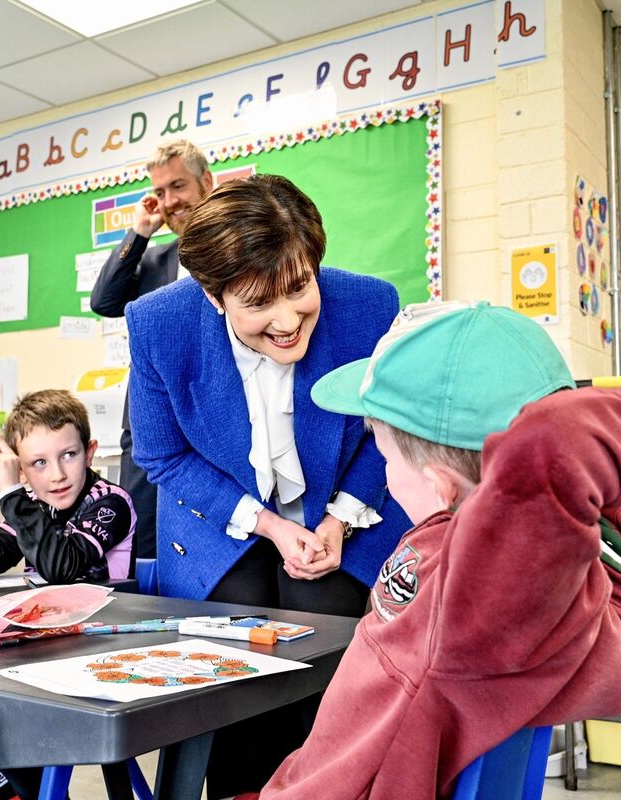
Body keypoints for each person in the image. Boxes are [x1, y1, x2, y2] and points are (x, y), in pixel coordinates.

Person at [234, 301, 621, 800]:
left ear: (442, 487)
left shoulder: (479, 591)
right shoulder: (608, 548)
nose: (385, 478)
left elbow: (527, 501)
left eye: (386, 457)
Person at [126, 173, 411, 797]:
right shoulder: (157, 323)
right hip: (222, 523)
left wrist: (336, 521)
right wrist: (274, 527)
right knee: (239, 647)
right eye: (259, 303)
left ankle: (333, 784)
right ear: (213, 294)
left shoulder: (369, 306)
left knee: (322, 629)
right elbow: (163, 456)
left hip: (346, 508)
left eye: (301, 287)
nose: (287, 321)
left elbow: (385, 434)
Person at [90, 139, 214, 562]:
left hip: (210, 413)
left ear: (206, 182)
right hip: (149, 413)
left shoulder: (233, 249)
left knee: (207, 535)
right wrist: (140, 230)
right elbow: (104, 301)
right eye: (160, 192)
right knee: (141, 533)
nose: (170, 201)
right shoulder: (155, 261)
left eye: (178, 186)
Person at [0, 389, 135, 584]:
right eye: (40, 462)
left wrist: (11, 494)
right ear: (21, 471)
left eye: (69, 455)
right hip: (52, 612)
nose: (58, 475)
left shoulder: (111, 502)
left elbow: (61, 568)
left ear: (89, 454)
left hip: (108, 613)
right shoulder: (33, 503)